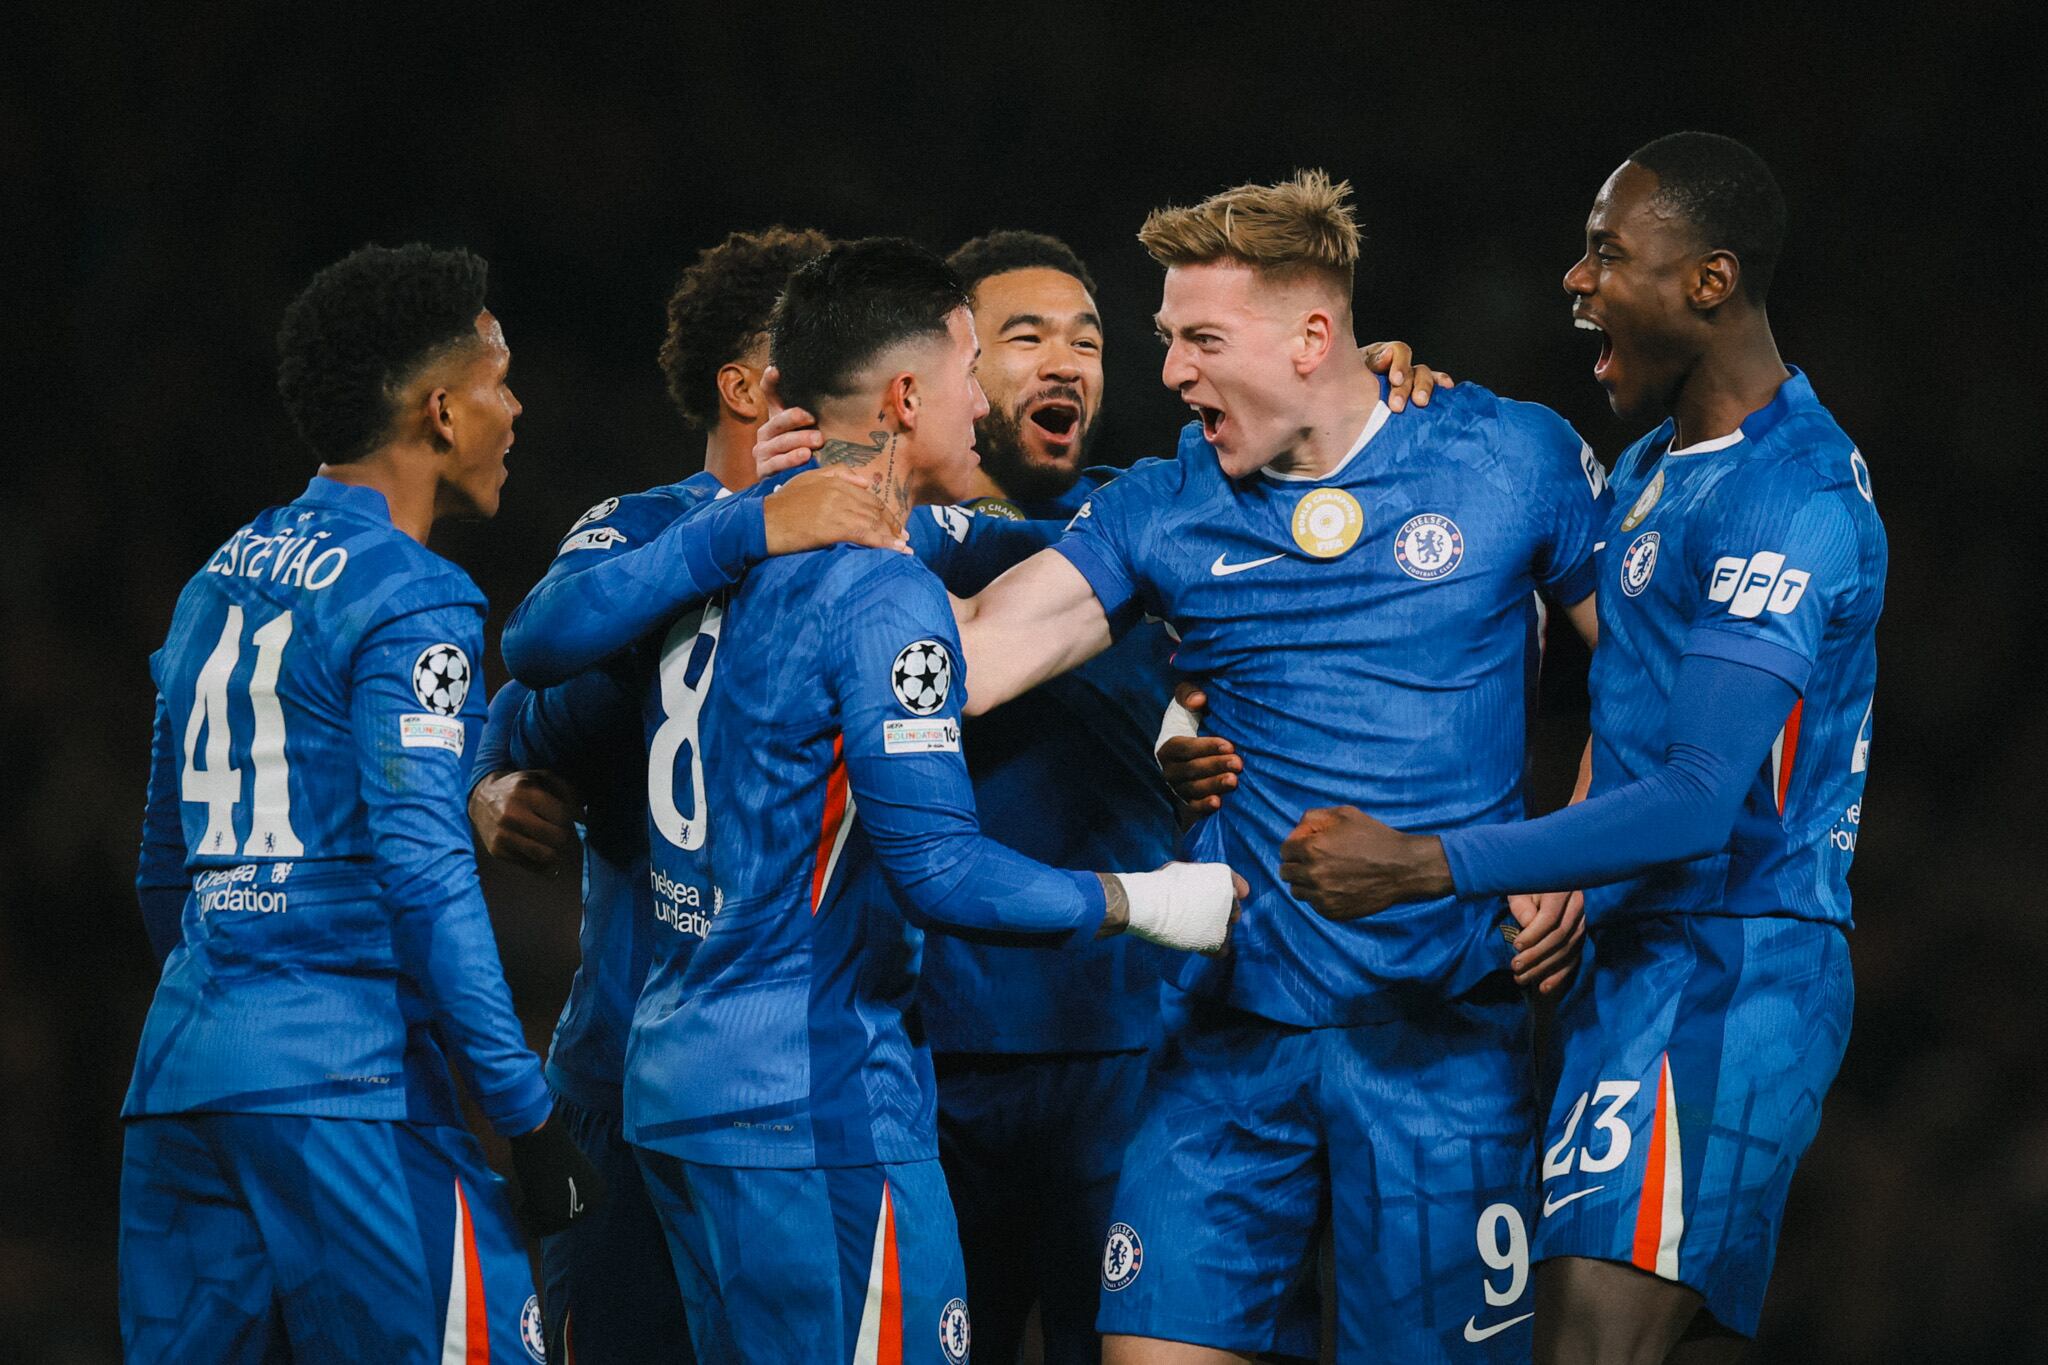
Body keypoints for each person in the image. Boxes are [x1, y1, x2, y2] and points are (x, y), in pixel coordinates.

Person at [944, 172, 1609, 1362]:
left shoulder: (1512, 458)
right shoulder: (1162, 509)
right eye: (1163, 341)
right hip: (1222, 1046)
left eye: (1201, 340)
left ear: (1313, 338)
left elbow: (1643, 677)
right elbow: (980, 653)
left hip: (1439, 1043)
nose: (1167, 375)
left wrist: (1572, 854)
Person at [1279, 133, 1885, 1364]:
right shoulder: (1660, 469)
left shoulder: (1794, 497)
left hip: (1728, 969)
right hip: (1638, 972)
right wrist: (1404, 410)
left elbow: (1696, 799)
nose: (1572, 277)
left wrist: (1422, 864)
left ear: (1706, 282)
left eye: (1607, 253)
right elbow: (1631, 688)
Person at [629, 237, 1241, 1364]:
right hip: (842, 1075)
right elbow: (940, 868)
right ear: (923, 385)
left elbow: (544, 650)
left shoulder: (711, 548)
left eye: (1090, 338)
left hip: (719, 1065)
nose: (1057, 362)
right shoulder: (884, 571)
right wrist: (1156, 903)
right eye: (999, 347)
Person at [121, 243, 600, 1362]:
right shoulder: (413, 595)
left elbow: (163, 867)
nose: (516, 408)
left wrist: (237, 1021)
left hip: (184, 1082)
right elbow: (426, 873)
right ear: (440, 409)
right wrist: (527, 1123)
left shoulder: (214, 579)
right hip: (352, 1089)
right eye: (498, 380)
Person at [467, 225, 914, 1364]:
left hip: (812, 1073)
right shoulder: (644, 531)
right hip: (622, 1063)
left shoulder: (879, 540)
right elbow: (530, 666)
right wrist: (486, 780)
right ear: (745, 385)